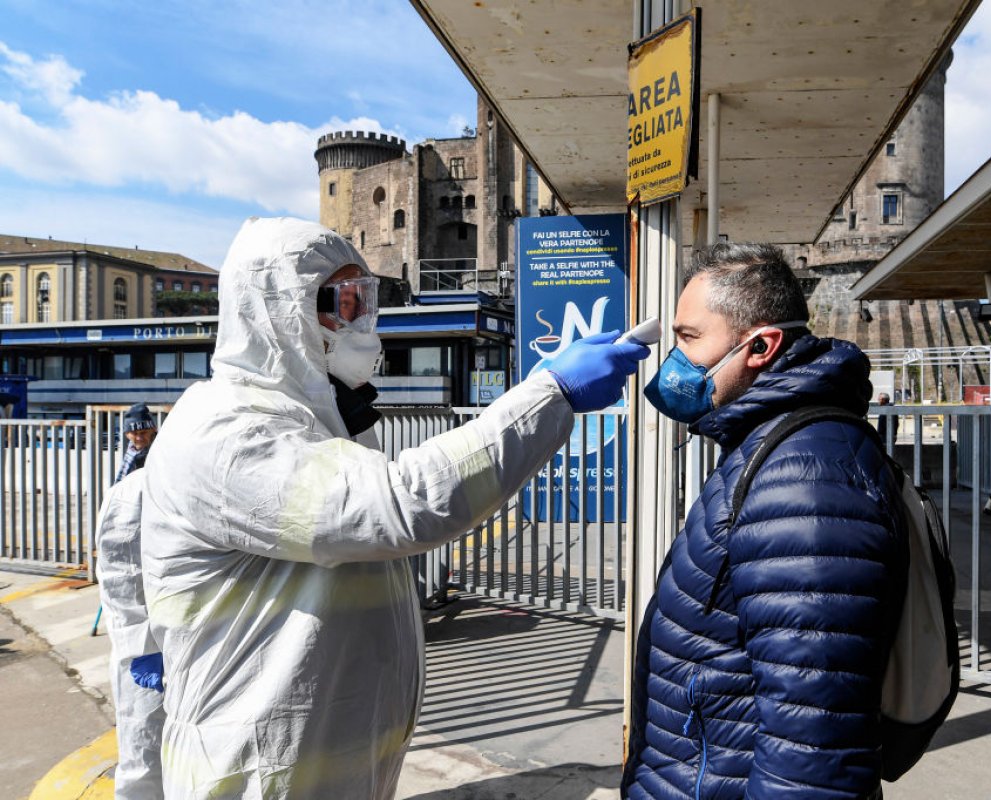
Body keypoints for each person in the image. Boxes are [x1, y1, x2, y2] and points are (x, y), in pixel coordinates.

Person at [138, 217, 648, 799]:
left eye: (365, 300)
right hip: (257, 774)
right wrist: (547, 396)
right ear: (276, 311)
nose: (360, 321)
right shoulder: (226, 434)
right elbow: (403, 504)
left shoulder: (312, 420)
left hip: (327, 767)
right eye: (341, 303)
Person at [622, 243, 907, 800]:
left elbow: (813, 745)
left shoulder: (807, 478)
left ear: (760, 346)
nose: (675, 360)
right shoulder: (773, 445)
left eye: (688, 338)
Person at [97, 403, 164, 798]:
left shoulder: (159, 468)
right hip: (141, 642)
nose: (140, 435)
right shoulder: (130, 485)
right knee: (143, 740)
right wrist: (138, 645)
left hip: (166, 624)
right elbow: (120, 570)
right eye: (135, 431)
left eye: (145, 430)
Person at [116, 403, 157, 483]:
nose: (139, 438)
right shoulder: (132, 449)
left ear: (153, 430)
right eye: (134, 433)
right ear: (127, 434)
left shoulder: (159, 450)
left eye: (143, 432)